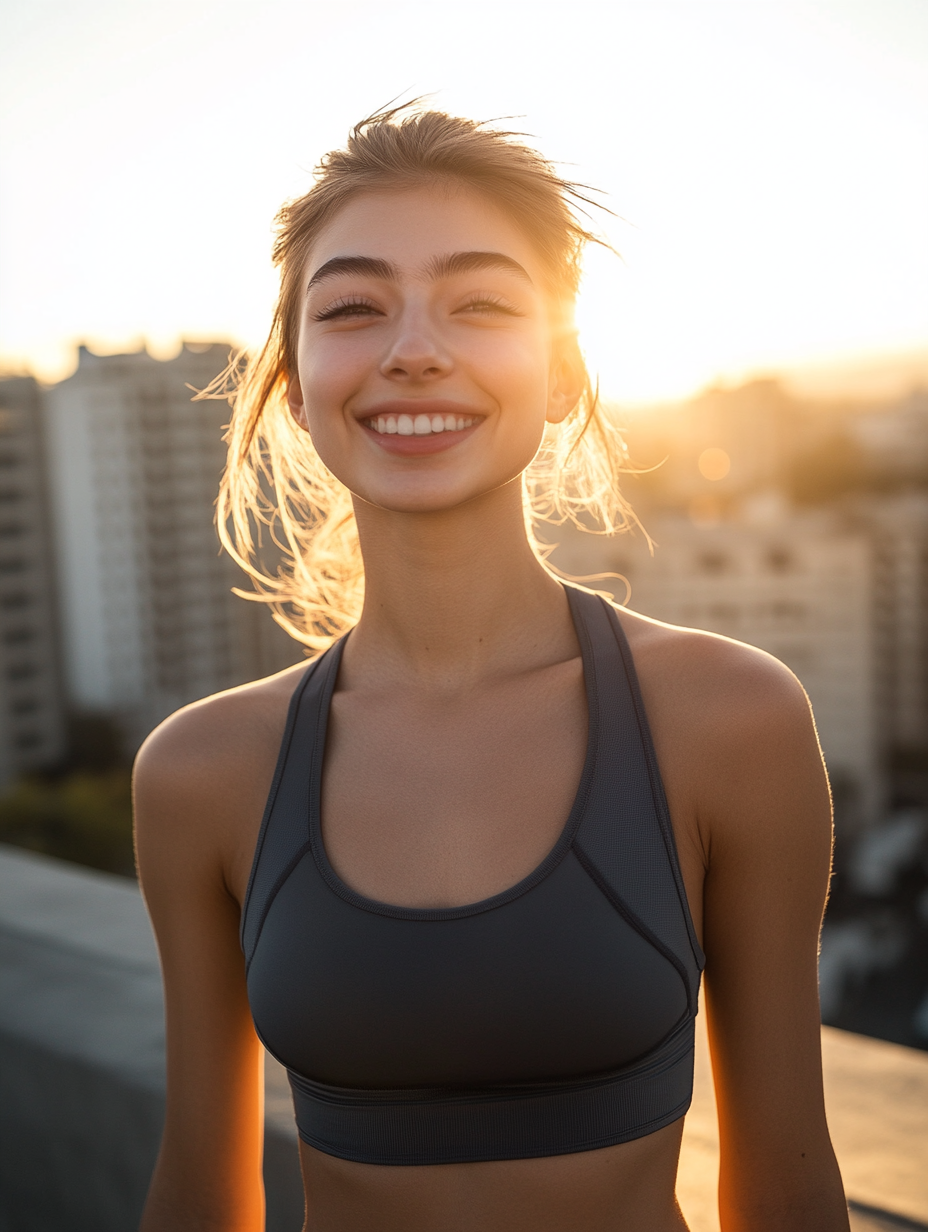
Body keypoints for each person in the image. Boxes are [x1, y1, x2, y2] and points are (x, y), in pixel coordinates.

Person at [135, 104, 850, 1232]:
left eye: (480, 302)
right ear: (296, 382)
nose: (414, 346)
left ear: (562, 371)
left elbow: (784, 1186)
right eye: (354, 307)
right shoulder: (201, 770)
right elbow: (199, 1198)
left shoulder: (729, 720)